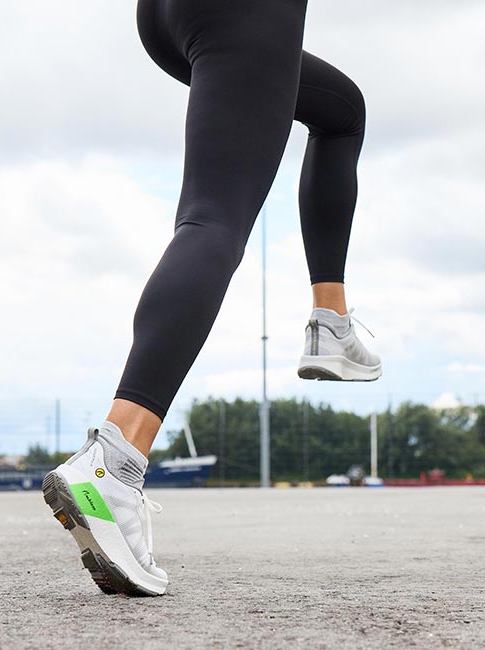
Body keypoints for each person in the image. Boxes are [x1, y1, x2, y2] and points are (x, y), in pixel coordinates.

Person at [42, 0, 381, 596]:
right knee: (213, 222)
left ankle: (333, 322)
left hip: (165, 17)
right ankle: (114, 464)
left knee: (340, 109)